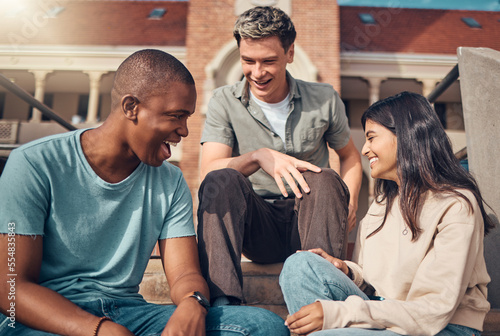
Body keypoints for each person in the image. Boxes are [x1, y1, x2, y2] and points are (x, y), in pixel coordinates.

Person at [0, 49, 289, 336]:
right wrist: (99, 330)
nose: (185, 131)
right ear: (131, 107)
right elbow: (10, 287)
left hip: (131, 314)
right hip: (46, 318)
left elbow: (185, 274)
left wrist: (194, 304)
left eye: (187, 117)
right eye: (176, 116)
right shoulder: (34, 163)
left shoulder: (171, 180)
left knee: (264, 327)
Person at [279, 91, 495, 335]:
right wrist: (349, 271)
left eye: (371, 138)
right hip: (385, 313)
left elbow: (432, 310)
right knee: (300, 265)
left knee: (329, 333)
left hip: (444, 327)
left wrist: (337, 314)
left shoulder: (455, 204)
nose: (364, 149)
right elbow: (375, 284)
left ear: (405, 136)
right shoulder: (382, 204)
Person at [197, 6, 362, 307]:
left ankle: (319, 306)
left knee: (325, 178)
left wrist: (350, 204)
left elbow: (350, 157)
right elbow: (209, 169)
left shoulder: (325, 98)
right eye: (248, 61)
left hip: (312, 219)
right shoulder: (223, 100)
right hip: (257, 224)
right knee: (220, 180)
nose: (257, 73)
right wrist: (259, 156)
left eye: (268, 61)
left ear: (290, 53)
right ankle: (225, 307)